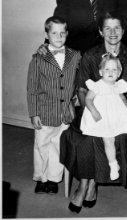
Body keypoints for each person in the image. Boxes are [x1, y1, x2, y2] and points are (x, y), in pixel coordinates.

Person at [60, 11, 127, 214]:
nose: (112, 32)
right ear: (100, 31)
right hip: (94, 109)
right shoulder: (90, 55)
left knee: (109, 136)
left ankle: (89, 184)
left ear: (123, 31)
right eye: (107, 28)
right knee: (84, 137)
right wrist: (89, 111)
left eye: (117, 27)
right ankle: (86, 184)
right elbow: (82, 89)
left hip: (121, 113)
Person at [27, 16, 81, 195]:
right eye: (54, 33)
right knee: (41, 144)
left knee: (59, 146)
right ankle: (41, 178)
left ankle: (53, 179)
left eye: (62, 33)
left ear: (67, 34)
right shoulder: (38, 58)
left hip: (65, 112)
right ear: (46, 34)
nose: (59, 37)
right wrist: (34, 113)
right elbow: (32, 88)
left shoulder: (75, 55)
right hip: (44, 111)